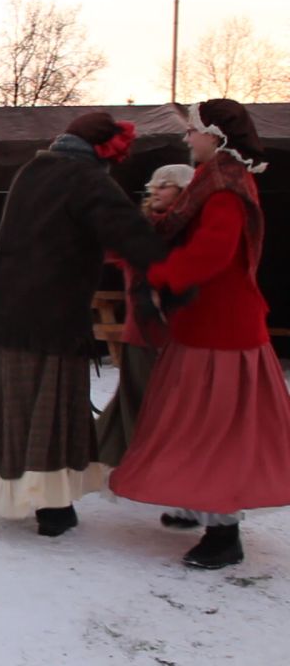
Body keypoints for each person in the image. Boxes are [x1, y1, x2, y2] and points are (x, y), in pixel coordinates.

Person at [0, 112, 167, 536]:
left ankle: (24, 495)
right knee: (48, 409)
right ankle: (53, 507)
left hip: (3, 308)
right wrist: (172, 271)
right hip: (48, 315)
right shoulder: (86, 179)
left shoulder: (33, 170)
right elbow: (131, 233)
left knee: (11, 405)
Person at [110, 99, 290, 569]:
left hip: (223, 333)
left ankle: (224, 534)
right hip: (202, 328)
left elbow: (210, 255)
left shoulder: (227, 188)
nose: (187, 138)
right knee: (191, 424)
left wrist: (160, 272)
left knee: (217, 432)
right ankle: (194, 504)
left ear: (216, 135)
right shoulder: (211, 181)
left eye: (193, 131)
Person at [95, 163, 194, 468]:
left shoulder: (193, 228)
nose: (156, 191)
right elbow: (111, 252)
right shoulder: (142, 226)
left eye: (165, 185)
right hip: (143, 328)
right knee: (138, 400)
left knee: (171, 403)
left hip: (183, 331)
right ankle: (129, 459)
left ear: (183, 190)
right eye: (155, 185)